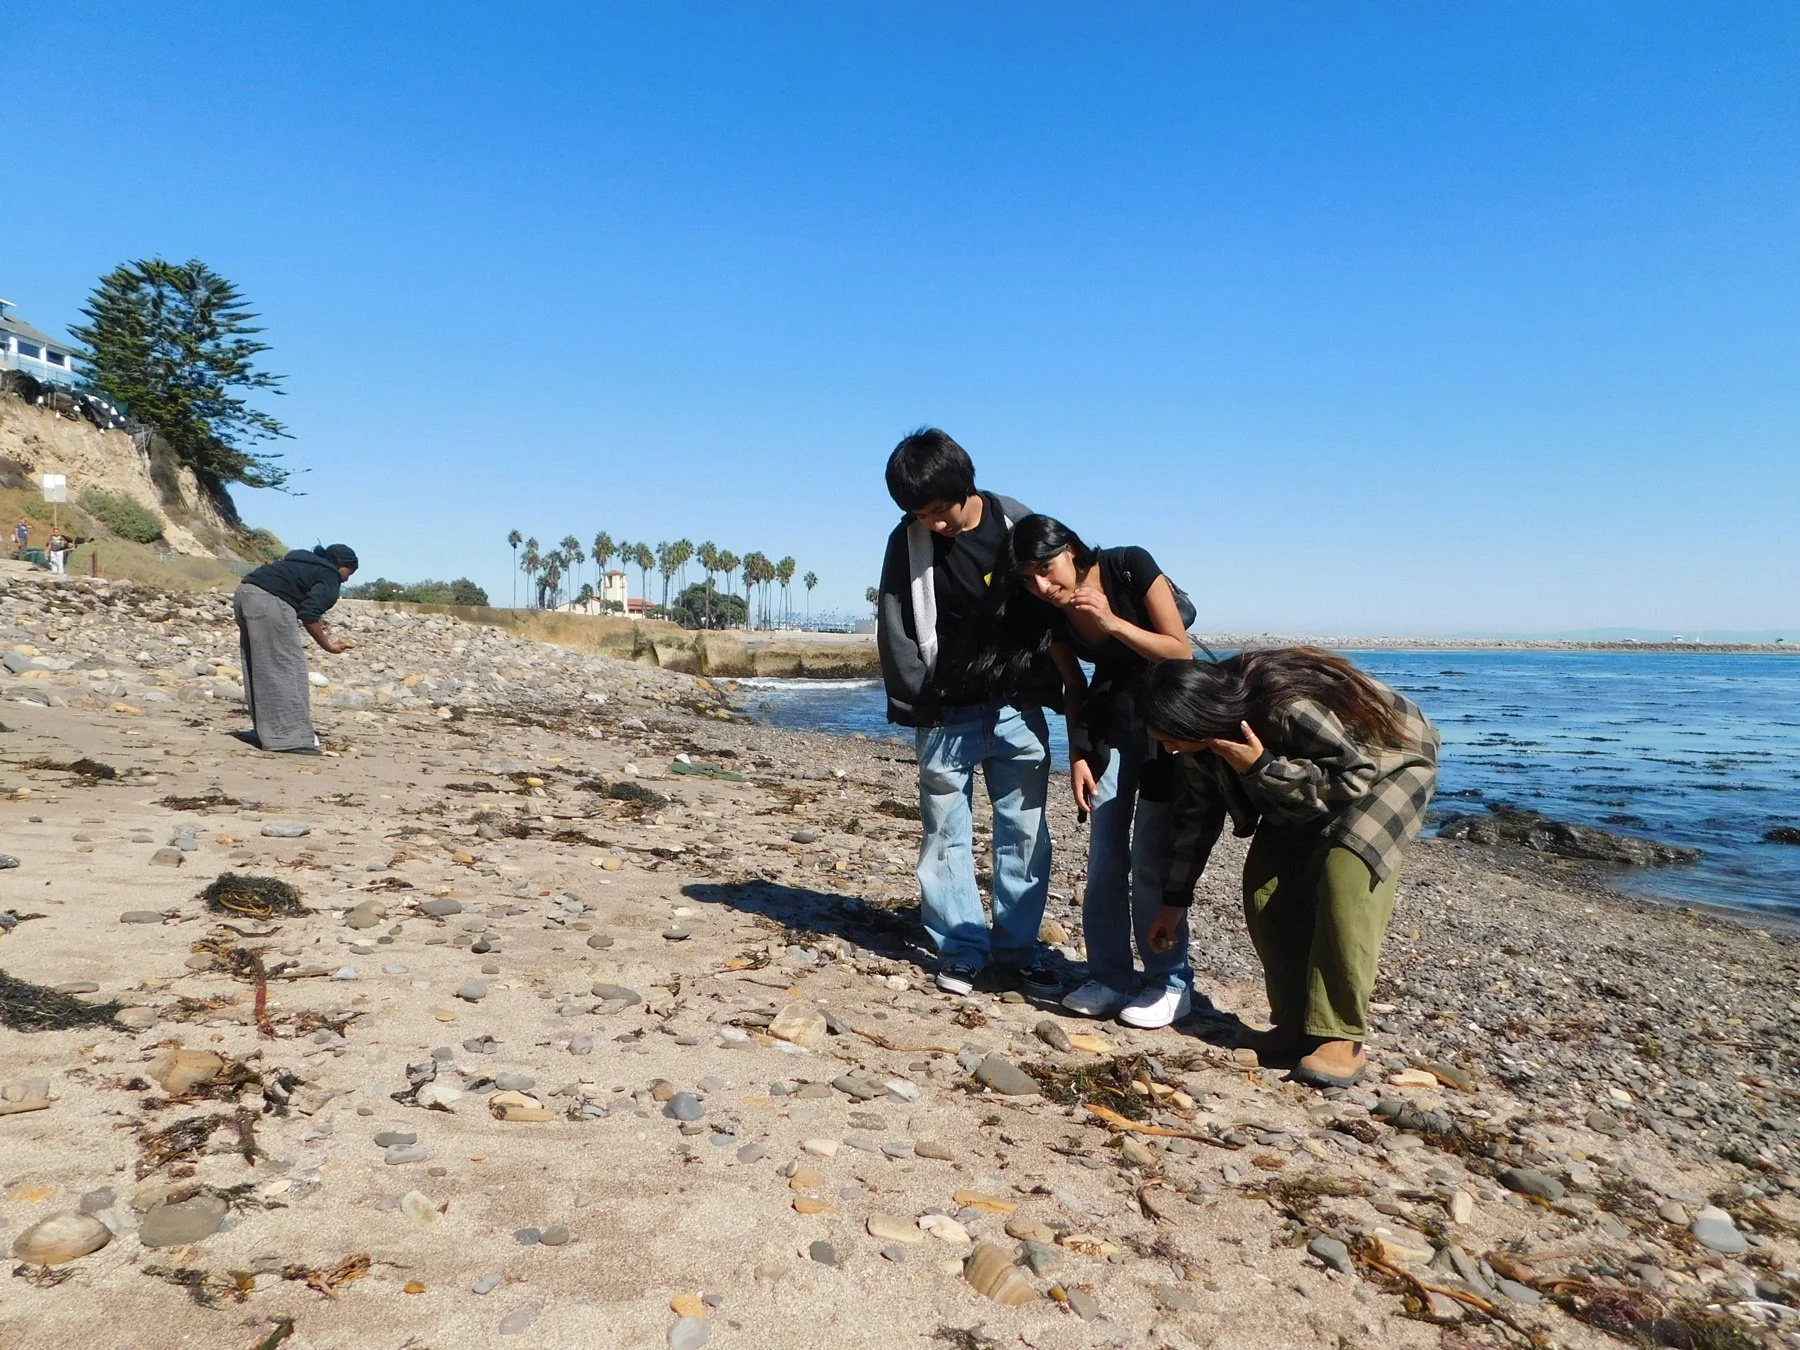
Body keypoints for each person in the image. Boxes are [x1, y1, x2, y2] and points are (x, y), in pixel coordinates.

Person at [1143, 650, 1439, 1087]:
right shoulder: (1200, 743)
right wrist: (1173, 903)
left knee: (1345, 875)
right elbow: (1196, 821)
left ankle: (1343, 1038)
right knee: (1265, 881)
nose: (1168, 748)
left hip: (1393, 761)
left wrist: (1261, 766)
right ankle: (1296, 1025)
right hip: (1307, 773)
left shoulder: (1284, 706)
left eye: (1171, 738)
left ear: (1196, 718)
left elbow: (1353, 775)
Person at [982, 515, 1198, 1028]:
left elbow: (1179, 650)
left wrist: (1113, 624)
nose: (1042, 584)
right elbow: (1074, 686)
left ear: (1071, 549)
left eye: (1046, 568)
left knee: (1150, 854)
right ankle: (1110, 976)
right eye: (1028, 577)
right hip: (1109, 729)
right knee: (1103, 855)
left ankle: (1169, 980)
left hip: (1166, 726)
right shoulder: (1048, 612)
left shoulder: (1129, 565)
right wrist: (1078, 753)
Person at [876, 429, 1059, 998]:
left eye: (940, 510)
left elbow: (1059, 588)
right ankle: (960, 947)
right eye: (920, 514)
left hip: (1015, 706)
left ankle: (1015, 953)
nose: (935, 524)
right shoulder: (906, 542)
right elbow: (895, 619)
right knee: (944, 834)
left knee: (1024, 833)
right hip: (945, 711)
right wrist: (919, 696)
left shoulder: (1016, 522)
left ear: (966, 487)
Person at [233, 544, 359, 755]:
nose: (347, 579)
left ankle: (266, 731)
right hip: (269, 602)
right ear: (342, 566)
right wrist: (328, 645)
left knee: (259, 665)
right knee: (287, 668)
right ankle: (289, 738)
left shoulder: (298, 562)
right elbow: (310, 613)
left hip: (244, 593)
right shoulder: (329, 575)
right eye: (350, 573)